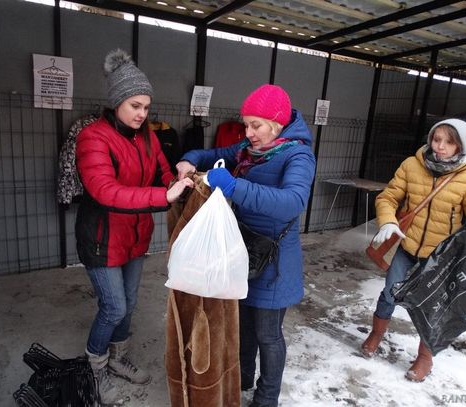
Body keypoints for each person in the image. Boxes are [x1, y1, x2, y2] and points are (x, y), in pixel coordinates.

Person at [176, 84, 316, 407]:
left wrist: (233, 186)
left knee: (268, 335)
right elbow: (212, 155)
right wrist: (189, 158)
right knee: (245, 328)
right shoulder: (250, 149)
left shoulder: (297, 155)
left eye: (256, 125)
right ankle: (241, 379)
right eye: (246, 124)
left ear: (277, 125)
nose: (248, 132)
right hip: (246, 254)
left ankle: (267, 398)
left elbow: (292, 202)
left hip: (274, 262)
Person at [75, 48, 193, 405]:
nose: (142, 113)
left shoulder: (148, 137)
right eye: (135, 106)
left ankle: (118, 359)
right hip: (103, 238)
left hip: (136, 235)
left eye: (146, 106)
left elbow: (162, 170)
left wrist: (181, 173)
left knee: (129, 303)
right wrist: (163, 195)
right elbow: (104, 190)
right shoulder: (93, 137)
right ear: (116, 103)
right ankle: (93, 370)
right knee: (113, 307)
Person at [361, 118, 466, 382]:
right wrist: (388, 221)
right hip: (407, 246)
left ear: (462, 146)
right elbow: (388, 197)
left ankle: (425, 357)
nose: (440, 146)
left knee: (432, 309)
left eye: (449, 142)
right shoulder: (412, 165)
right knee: (390, 293)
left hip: (441, 258)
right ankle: (376, 333)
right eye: (437, 139)